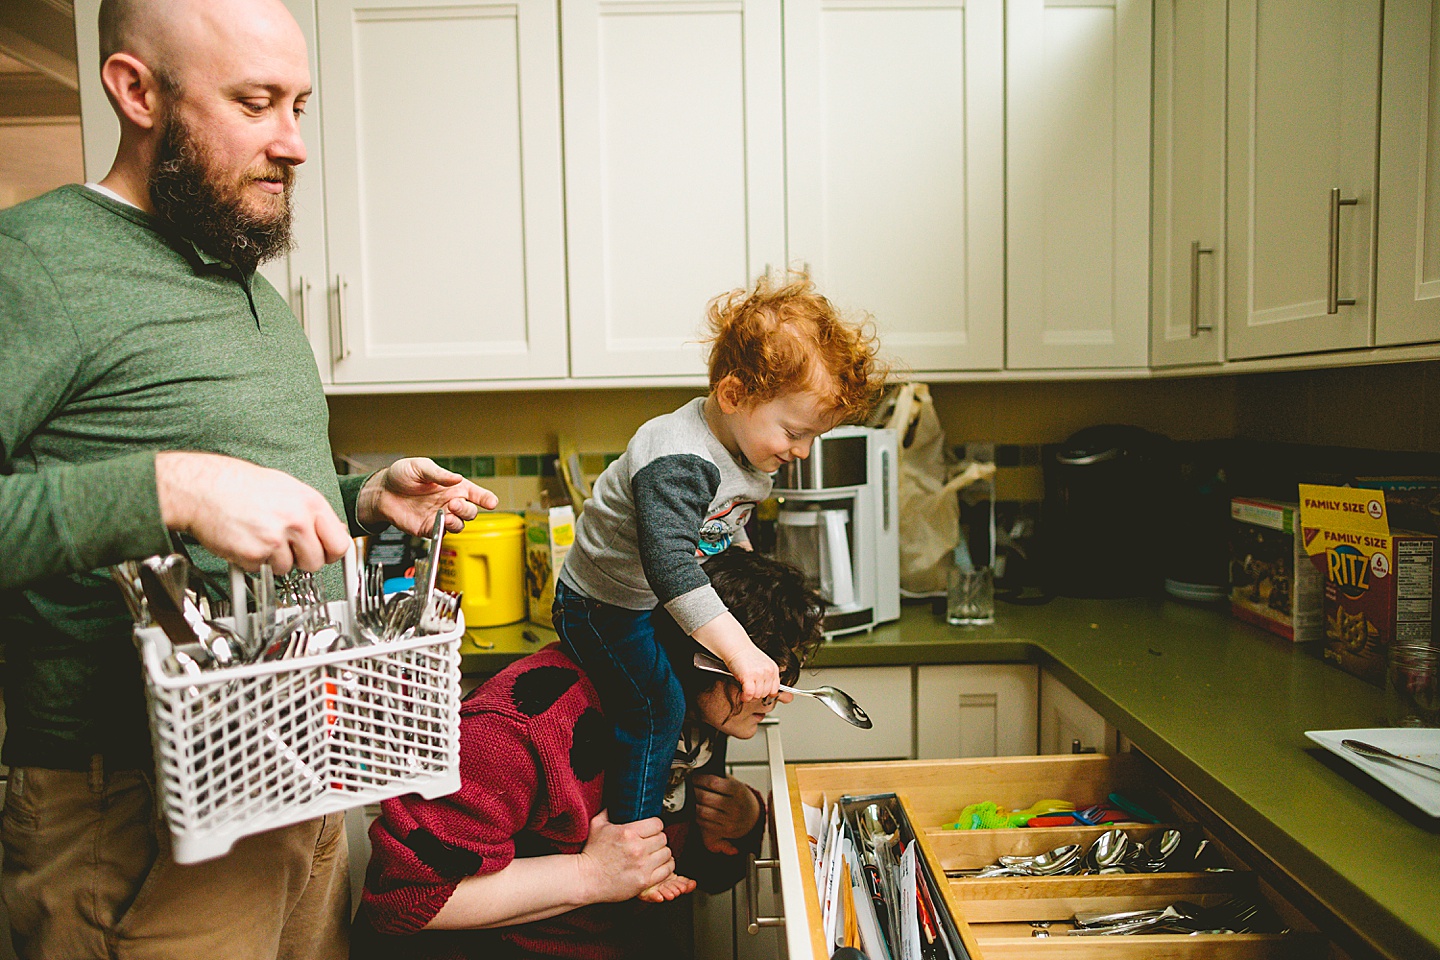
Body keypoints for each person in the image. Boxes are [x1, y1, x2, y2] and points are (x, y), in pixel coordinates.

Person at [0, 1, 497, 957]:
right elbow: (177, 479)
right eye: (256, 102)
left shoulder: (238, 268)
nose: (295, 143)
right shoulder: (36, 267)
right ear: (136, 91)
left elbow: (227, 472)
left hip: (298, 779)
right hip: (132, 817)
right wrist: (171, 489)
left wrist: (358, 497)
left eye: (300, 106)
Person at [553, 271, 883, 897]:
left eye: (815, 435)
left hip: (650, 597)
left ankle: (700, 846)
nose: (804, 452)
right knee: (658, 707)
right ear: (733, 393)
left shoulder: (746, 450)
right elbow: (675, 567)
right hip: (602, 605)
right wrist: (740, 650)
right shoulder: (677, 460)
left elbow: (723, 537)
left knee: (704, 715)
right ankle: (633, 850)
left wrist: (752, 617)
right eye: (795, 432)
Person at [356, 549, 825, 959]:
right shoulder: (522, 725)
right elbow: (403, 899)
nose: (780, 697)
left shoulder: (696, 718)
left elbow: (676, 869)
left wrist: (743, 823)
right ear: (701, 655)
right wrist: (589, 874)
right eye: (765, 681)